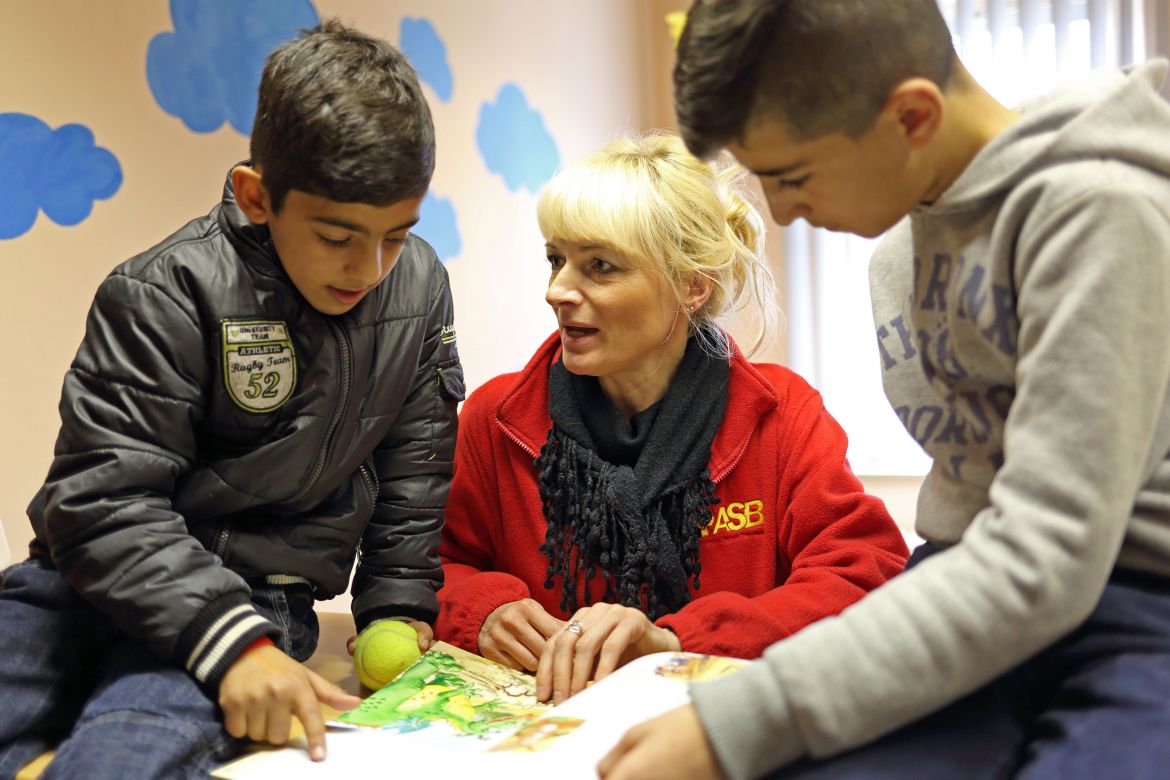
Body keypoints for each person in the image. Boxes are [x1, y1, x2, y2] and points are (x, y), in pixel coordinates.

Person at [598, 2, 1170, 779]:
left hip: (1136, 601)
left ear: (912, 116)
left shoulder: (1098, 207)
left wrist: (741, 722)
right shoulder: (896, 248)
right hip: (965, 577)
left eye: (791, 176)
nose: (783, 213)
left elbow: (1048, 555)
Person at [0, 20, 463, 778]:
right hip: (77, 587)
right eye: (339, 236)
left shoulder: (420, 288)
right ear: (257, 196)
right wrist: (231, 645)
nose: (371, 267)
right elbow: (102, 502)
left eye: (395, 236)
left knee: (117, 760)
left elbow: (415, 468)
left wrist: (397, 611)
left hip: (258, 599)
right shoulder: (162, 291)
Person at [434, 132, 908, 706]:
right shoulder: (497, 417)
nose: (557, 290)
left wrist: (675, 642)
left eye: (600, 266)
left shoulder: (783, 417)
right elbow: (425, 566)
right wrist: (481, 610)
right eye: (556, 259)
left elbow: (864, 574)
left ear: (691, 285)